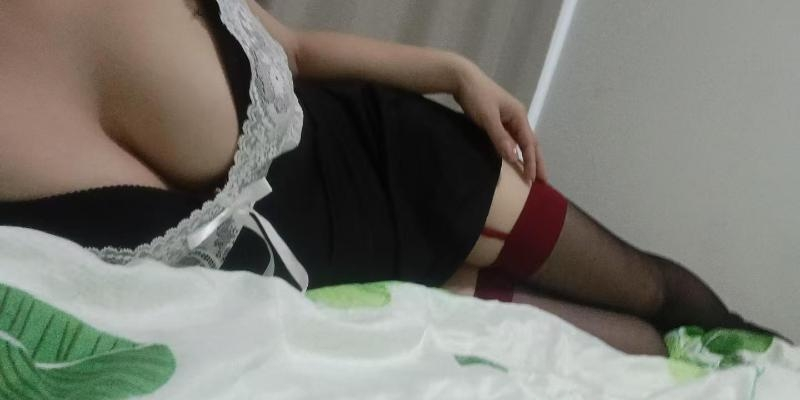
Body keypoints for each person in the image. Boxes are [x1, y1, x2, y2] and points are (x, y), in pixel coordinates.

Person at [0, 0, 780, 355]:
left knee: (648, 288)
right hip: (355, 303)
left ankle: (772, 351)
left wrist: (454, 69)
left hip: (398, 167)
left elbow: (294, 51)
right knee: (637, 348)